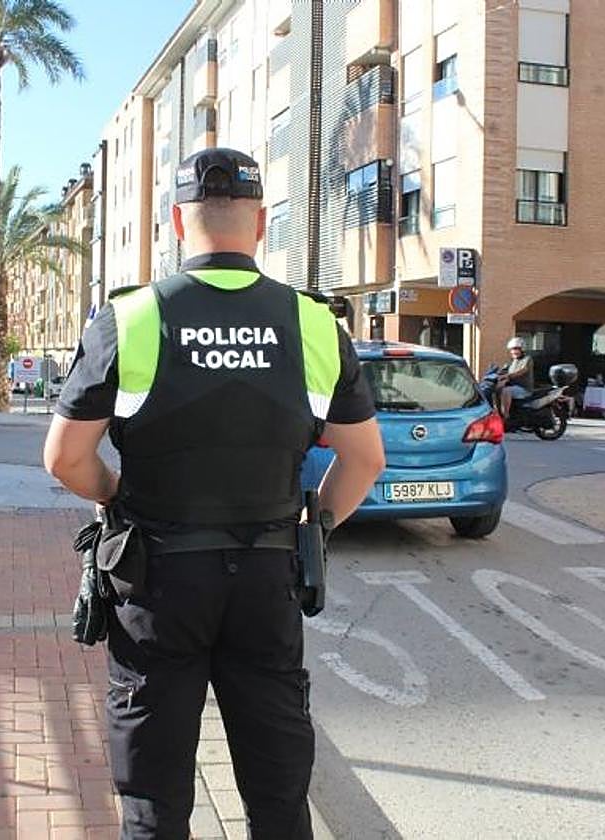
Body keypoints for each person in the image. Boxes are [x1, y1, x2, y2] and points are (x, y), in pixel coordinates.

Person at [43, 147, 385, 839]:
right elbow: (363, 461)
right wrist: (311, 532)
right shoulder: (315, 324)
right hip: (266, 577)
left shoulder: (129, 319)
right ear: (260, 225)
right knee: (277, 791)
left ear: (175, 221)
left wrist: (115, 498)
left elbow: (65, 459)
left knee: (154, 800)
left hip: (157, 579)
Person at [498, 336, 533, 419]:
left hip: (524, 389)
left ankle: (505, 416)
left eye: (516, 349)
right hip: (515, 387)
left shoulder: (527, 359)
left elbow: (522, 371)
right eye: (512, 349)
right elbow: (505, 370)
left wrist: (508, 376)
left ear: (522, 349)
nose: (513, 351)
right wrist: (498, 374)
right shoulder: (514, 361)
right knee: (497, 388)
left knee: (506, 391)